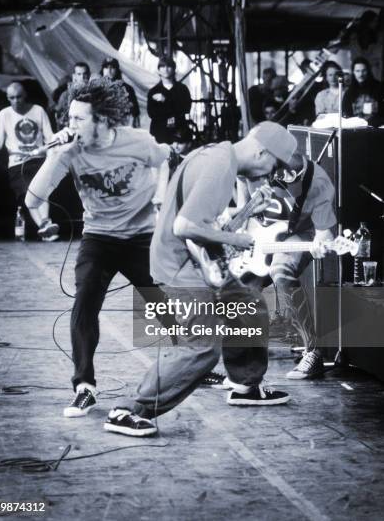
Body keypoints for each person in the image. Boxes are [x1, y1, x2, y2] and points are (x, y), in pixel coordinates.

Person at [104, 122, 302, 438]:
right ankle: (128, 410)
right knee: (202, 346)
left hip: (196, 259)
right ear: (261, 151)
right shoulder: (219, 166)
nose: (269, 175)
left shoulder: (218, 154)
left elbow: (206, 227)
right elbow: (184, 227)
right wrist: (239, 241)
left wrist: (248, 211)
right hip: (179, 265)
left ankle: (245, 385)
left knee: (248, 305)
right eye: (273, 166)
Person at [25, 77, 172, 418]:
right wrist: (55, 154)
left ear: (102, 119)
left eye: (78, 119)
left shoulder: (137, 140)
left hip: (141, 236)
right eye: (69, 118)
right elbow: (34, 197)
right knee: (85, 302)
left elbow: (163, 159)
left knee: (164, 300)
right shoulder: (70, 152)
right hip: (100, 237)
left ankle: (195, 363)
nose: (70, 125)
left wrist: (162, 199)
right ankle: (84, 386)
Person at [236, 137, 336, 379]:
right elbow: (241, 177)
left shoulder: (318, 183)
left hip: (299, 233)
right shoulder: (257, 164)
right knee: (241, 288)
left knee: (281, 271)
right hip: (258, 235)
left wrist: (321, 245)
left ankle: (313, 353)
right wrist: (241, 222)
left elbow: (325, 234)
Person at [0, 81, 59, 241]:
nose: (16, 101)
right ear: (8, 98)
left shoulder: (38, 111)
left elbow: (50, 138)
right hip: (17, 163)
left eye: (19, 97)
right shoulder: (4, 115)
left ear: (25, 96)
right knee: (28, 192)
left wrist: (53, 157)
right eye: (12, 98)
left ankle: (45, 224)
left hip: (38, 159)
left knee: (42, 190)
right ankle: (44, 225)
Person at [147, 56, 192, 144]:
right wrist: (173, 109)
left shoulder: (182, 89)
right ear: (158, 70)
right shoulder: (154, 91)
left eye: (169, 66)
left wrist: (165, 100)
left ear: (174, 69)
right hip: (159, 132)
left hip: (178, 131)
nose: (166, 69)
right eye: (162, 67)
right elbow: (152, 113)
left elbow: (186, 108)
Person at [342, 56, 384, 124]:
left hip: (378, 129)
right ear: (353, 72)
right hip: (355, 130)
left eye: (363, 70)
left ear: (368, 71)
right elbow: (346, 116)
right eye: (357, 71)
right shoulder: (349, 92)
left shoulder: (380, 88)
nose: (361, 74)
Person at [100, 57, 140, 127]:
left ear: (117, 70)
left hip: (121, 125)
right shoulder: (96, 89)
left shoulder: (127, 89)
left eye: (112, 68)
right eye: (106, 68)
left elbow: (135, 112)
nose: (108, 71)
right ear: (102, 70)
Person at [55, 62, 91, 130]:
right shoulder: (65, 95)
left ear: (89, 75)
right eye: (79, 74)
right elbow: (59, 118)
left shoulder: (95, 93)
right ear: (74, 76)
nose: (82, 77)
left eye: (85, 74)